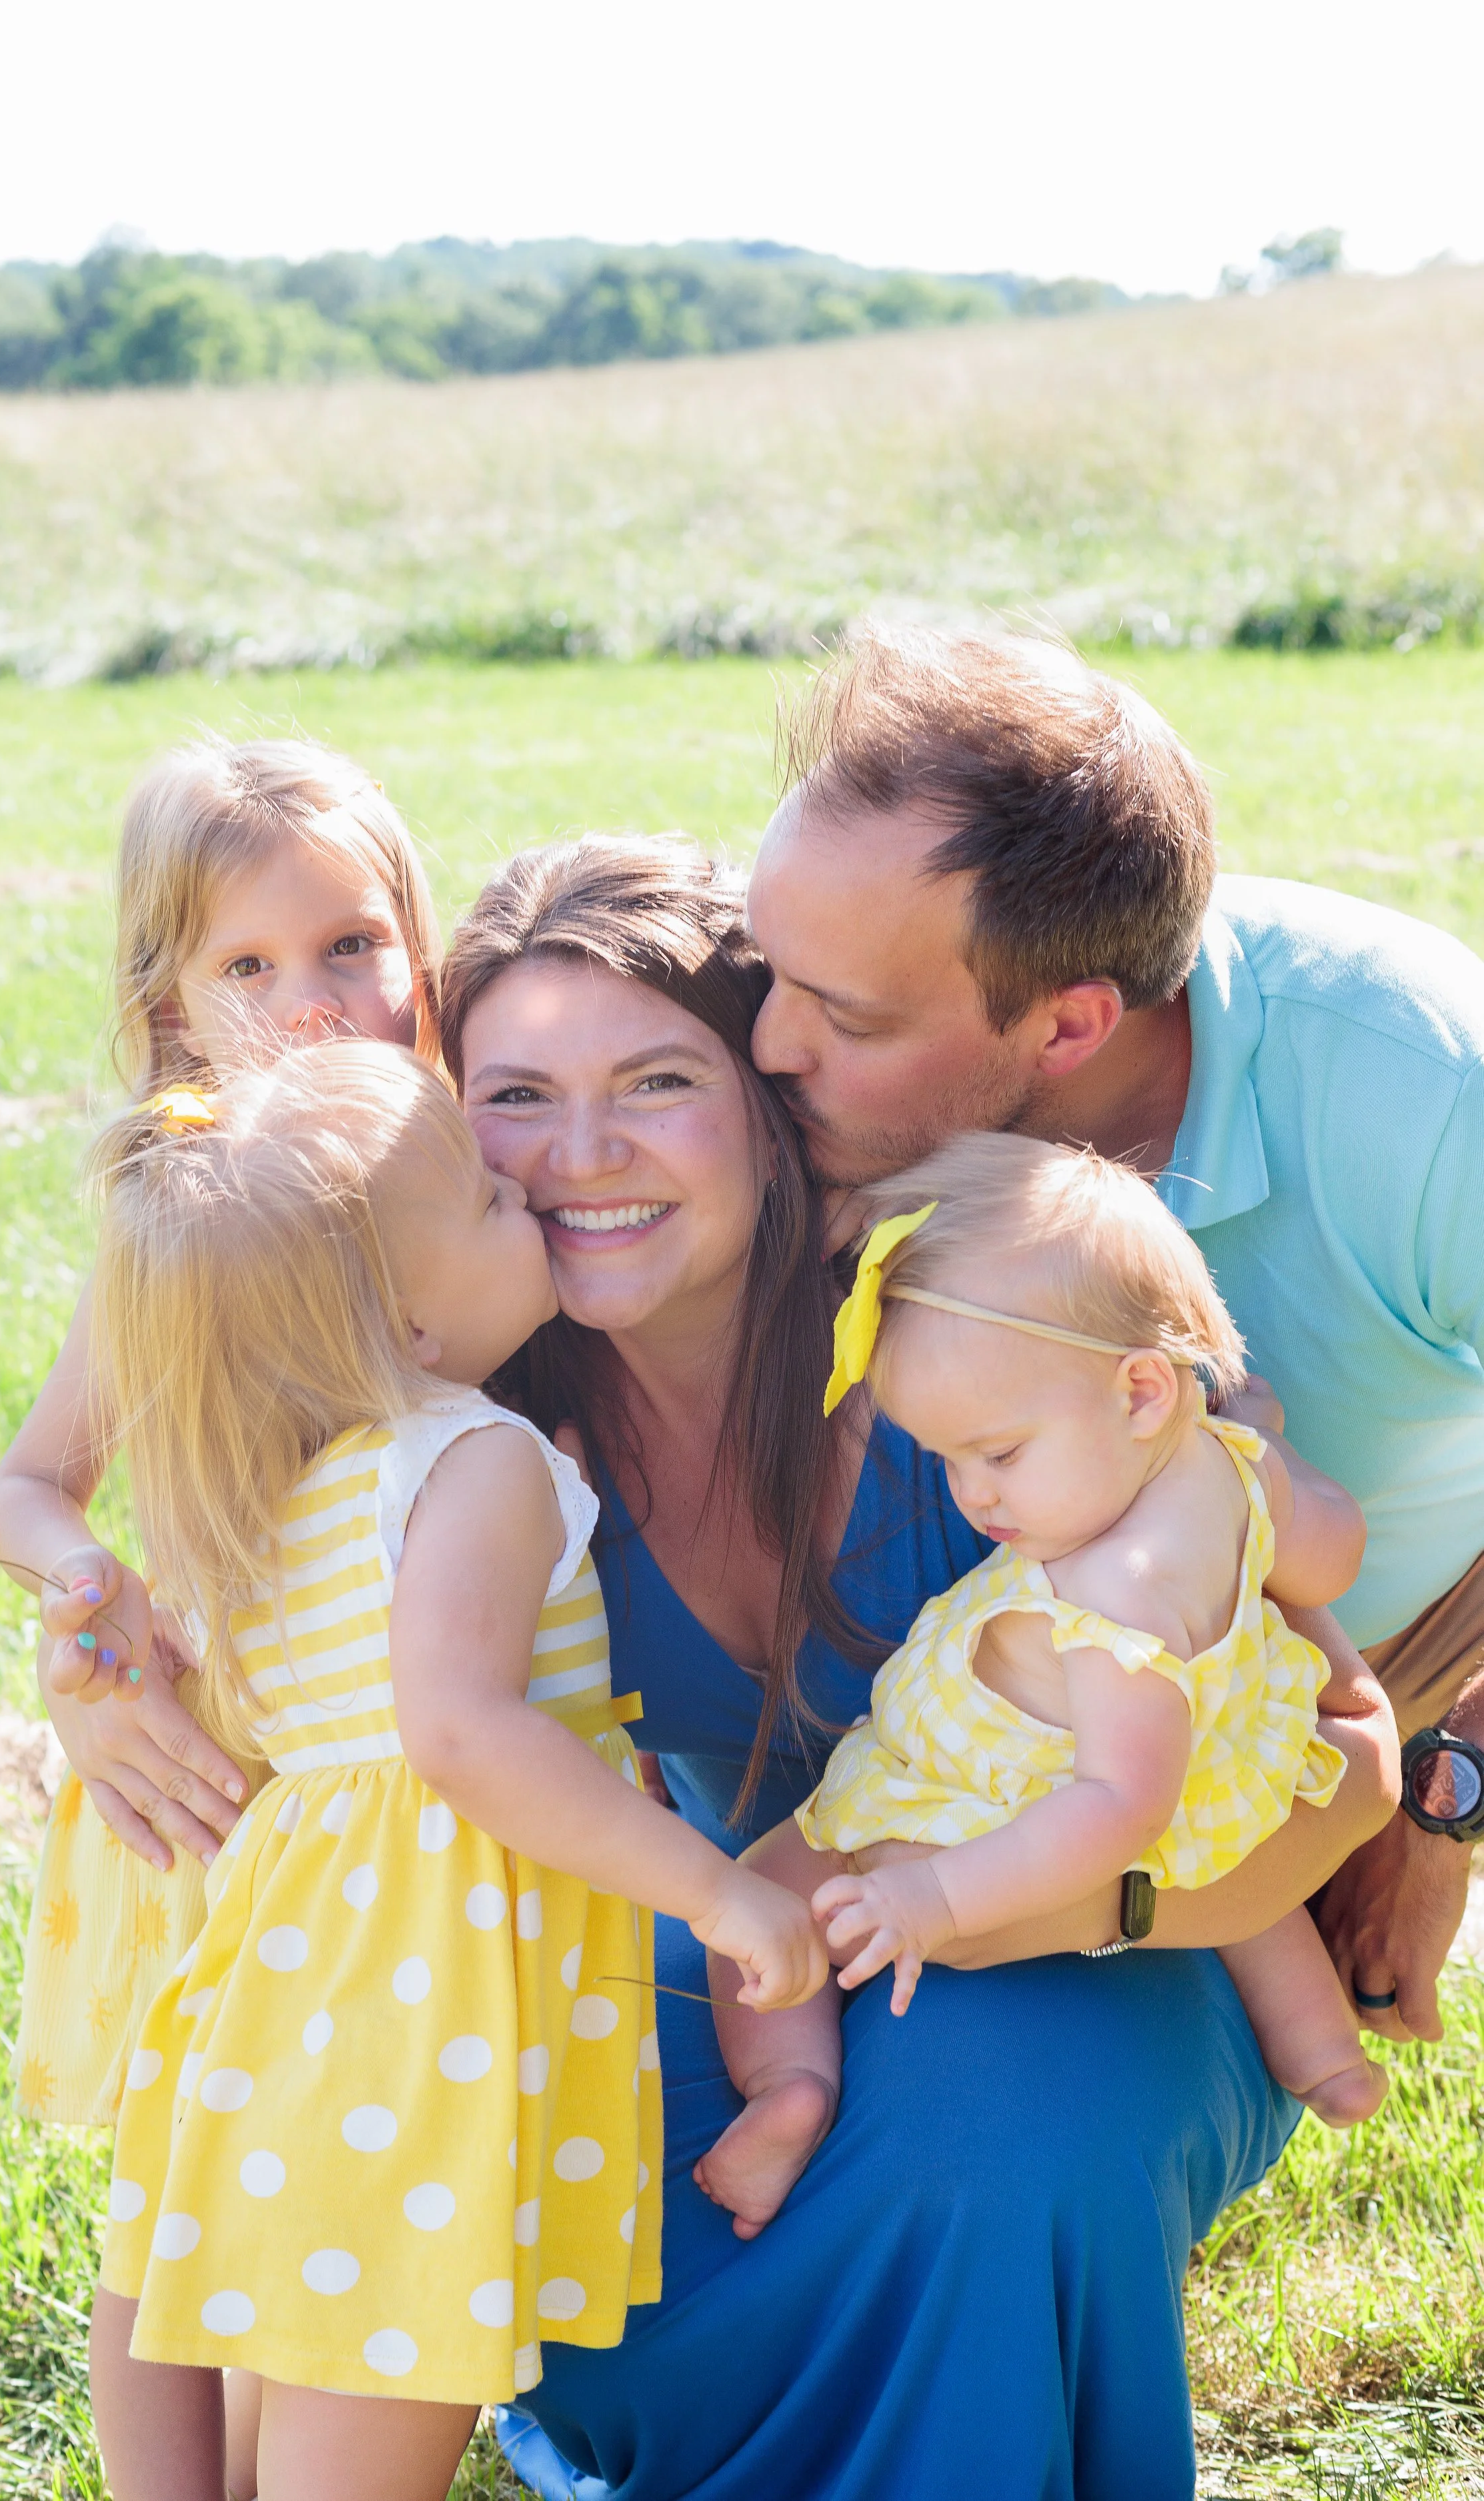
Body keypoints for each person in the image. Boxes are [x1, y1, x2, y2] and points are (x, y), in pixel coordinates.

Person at [436, 836, 1395, 2501]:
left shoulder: (990, 1340)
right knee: (561, 2147)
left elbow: (1351, 1756)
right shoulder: (486, 1436)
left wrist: (1076, 1904)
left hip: (1117, 1940)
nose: (577, 1157)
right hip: (767, 1927)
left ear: (763, 1097)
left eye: (655, 1080)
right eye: (513, 1096)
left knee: (987, 2128)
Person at [73, 1042, 820, 2501]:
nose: (526, 1199)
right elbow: (465, 1734)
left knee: (275, 2350)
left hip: (290, 1998)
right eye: (488, 1201)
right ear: (411, 1325)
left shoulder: (277, 1485)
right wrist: (719, 1896)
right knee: (374, 2370)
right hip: (416, 2018)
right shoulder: (468, 1456)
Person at [748, 626, 1484, 2047]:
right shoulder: (821, 1015)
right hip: (978, 1684)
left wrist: (1446, 1787)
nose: (767, 1044)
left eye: (837, 1014)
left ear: (1070, 1027)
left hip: (1346, 1638)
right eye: (763, 967)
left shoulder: (1421, 1096)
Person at [702, 1133, 1385, 2244]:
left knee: (768, 1888)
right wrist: (1269, 1471)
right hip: (1220, 1760)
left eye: (1001, 1454)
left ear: (1141, 1390)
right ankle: (1320, 2051)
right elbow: (1331, 1552)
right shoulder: (1230, 1461)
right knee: (1235, 1861)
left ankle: (789, 2084)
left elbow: (1119, 1810)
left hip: (1028, 1791)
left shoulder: (1114, 1598)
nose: (974, 1495)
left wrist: (934, 1899)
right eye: (948, 1459)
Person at [0, 734, 444, 2126]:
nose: (310, 1008)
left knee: (361, 2141)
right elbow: (28, 1483)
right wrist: (85, 1594)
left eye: (352, 945)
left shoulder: (466, 1189)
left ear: (422, 946)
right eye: (246, 968)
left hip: (418, 1772)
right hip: (229, 1767)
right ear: (173, 1007)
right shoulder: (191, 1228)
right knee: (204, 2158)